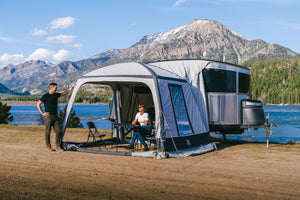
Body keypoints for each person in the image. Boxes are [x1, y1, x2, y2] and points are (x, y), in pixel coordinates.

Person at [36, 82, 76, 151]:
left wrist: (71, 87)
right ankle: (48, 146)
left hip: (55, 116)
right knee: (48, 132)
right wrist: (42, 113)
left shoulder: (55, 95)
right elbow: (38, 104)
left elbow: (64, 93)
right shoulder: (46, 96)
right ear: (51, 88)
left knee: (58, 131)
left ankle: (58, 146)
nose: (56, 88)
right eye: (55, 87)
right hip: (48, 117)